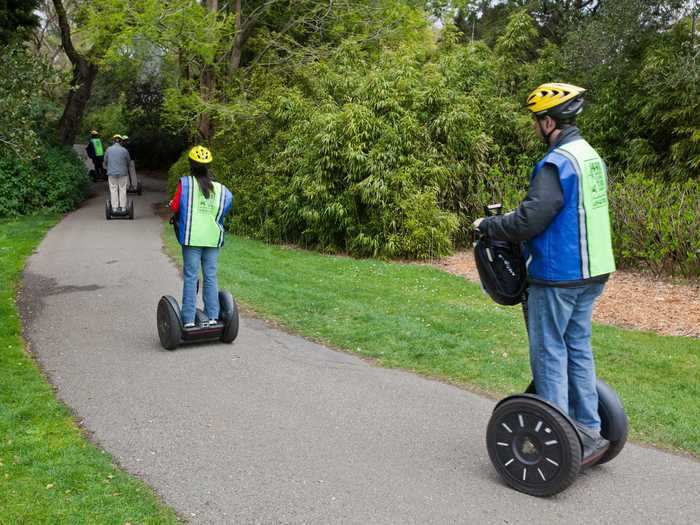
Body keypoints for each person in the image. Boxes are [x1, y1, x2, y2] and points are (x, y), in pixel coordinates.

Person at [473, 83, 616, 462]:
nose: (536, 127)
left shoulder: (556, 162)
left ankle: (558, 437)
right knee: (577, 347)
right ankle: (588, 429)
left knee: (549, 350)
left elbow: (530, 219)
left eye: (537, 120)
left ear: (549, 121)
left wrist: (491, 226)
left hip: (559, 274)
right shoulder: (589, 157)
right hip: (593, 271)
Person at [169, 146, 233, 328]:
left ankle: (188, 319)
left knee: (191, 276)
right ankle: (213, 316)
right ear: (208, 166)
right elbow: (227, 205)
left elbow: (175, 206)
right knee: (211, 275)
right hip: (212, 239)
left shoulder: (186, 184)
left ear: (191, 165)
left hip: (192, 238)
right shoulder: (221, 189)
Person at [103, 134, 132, 212]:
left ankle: (114, 208)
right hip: (123, 173)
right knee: (122, 189)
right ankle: (123, 208)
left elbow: (105, 160)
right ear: (121, 141)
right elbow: (128, 161)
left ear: (113, 141)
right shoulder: (124, 150)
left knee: (113, 189)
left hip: (111, 173)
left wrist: (107, 167)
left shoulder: (108, 149)